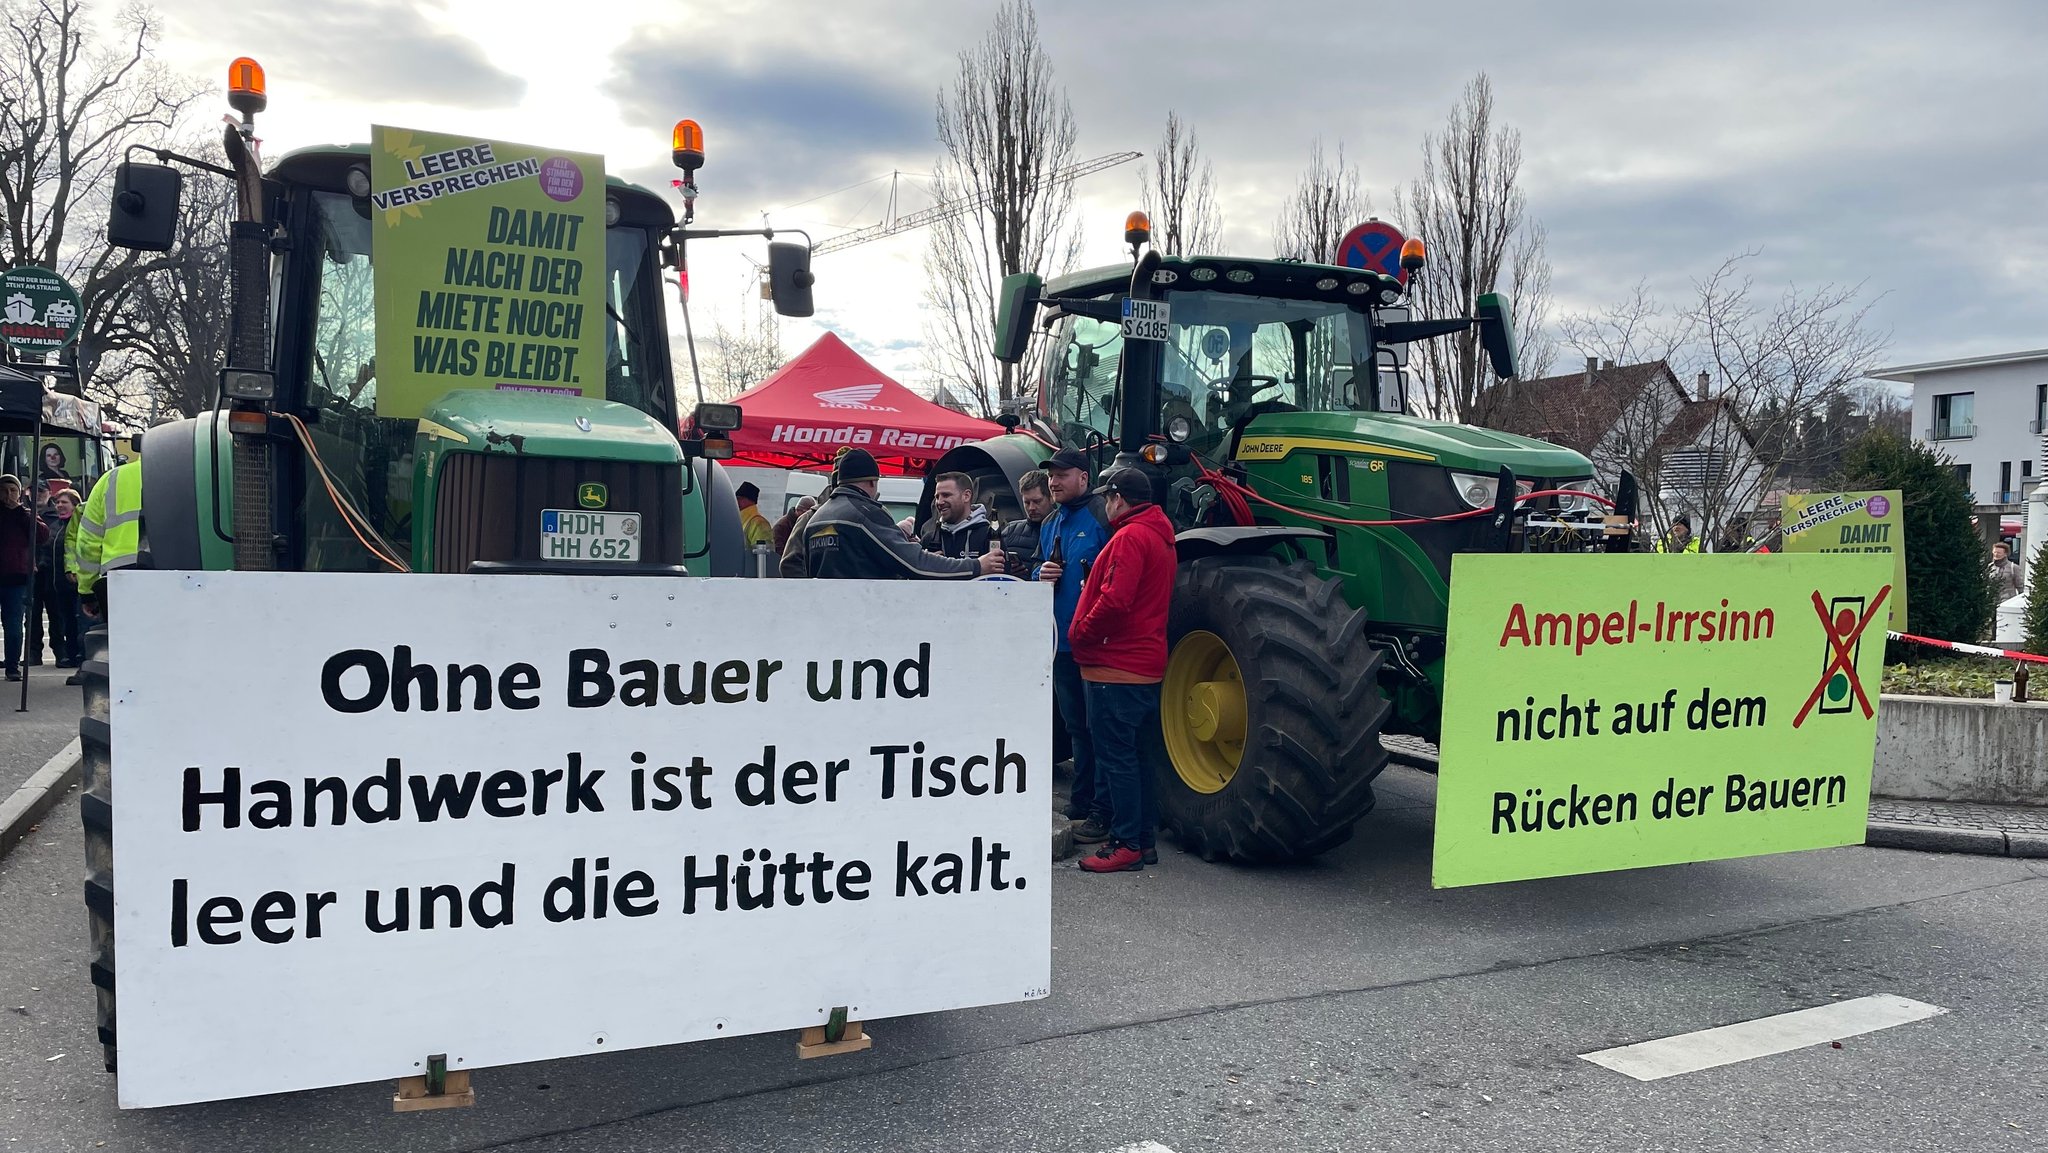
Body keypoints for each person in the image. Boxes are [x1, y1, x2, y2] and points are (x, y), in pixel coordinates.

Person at [1071, 466, 1176, 873]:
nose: (1106, 505)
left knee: (1117, 759)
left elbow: (1115, 601)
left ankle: (1126, 842)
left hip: (1115, 666)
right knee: (1137, 757)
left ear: (1118, 498)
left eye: (1108, 498)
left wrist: (1081, 631)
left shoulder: (1130, 537)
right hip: (1142, 663)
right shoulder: (1159, 534)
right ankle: (1143, 840)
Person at [1035, 449, 1110, 838]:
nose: (1053, 481)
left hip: (1095, 642)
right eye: (1051, 476)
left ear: (1083, 477)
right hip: (1060, 641)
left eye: (1062, 475)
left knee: (1099, 728)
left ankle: (1102, 805)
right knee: (1075, 725)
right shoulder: (1050, 522)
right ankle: (1081, 798)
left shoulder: (1101, 515)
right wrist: (1040, 572)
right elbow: (1037, 566)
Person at [801, 449, 1003, 579]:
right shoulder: (865, 514)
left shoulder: (815, 519)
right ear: (873, 482)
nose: (940, 502)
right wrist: (976, 566)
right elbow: (915, 564)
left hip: (827, 623)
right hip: (866, 620)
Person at [0, 474, 52, 681]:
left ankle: (13, 665)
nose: (9, 495)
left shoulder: (27, 514)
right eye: (4, 491)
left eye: (13, 491)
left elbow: (42, 536)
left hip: (18, 575)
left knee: (13, 623)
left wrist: (20, 511)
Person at [32, 487, 80, 669]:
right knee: (66, 620)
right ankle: (69, 654)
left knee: (75, 621)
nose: (59, 505)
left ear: (75, 506)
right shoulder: (56, 526)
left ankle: (77, 654)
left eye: (64, 502)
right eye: (57, 502)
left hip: (75, 582)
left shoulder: (79, 525)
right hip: (56, 583)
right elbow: (46, 550)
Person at [921, 472, 993, 558]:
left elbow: (1000, 569)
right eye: (937, 497)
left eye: (946, 495)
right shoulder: (928, 539)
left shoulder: (988, 536)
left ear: (966, 496)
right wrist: (928, 565)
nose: (939, 502)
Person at [1000, 469, 1051, 577]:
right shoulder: (1009, 532)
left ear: (1051, 498)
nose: (1031, 508)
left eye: (1037, 501)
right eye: (1027, 502)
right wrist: (1006, 570)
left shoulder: (1062, 529)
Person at [735, 482, 774, 551]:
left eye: (739, 498)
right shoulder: (744, 520)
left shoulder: (759, 523)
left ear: (747, 500)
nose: (736, 501)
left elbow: (765, 556)